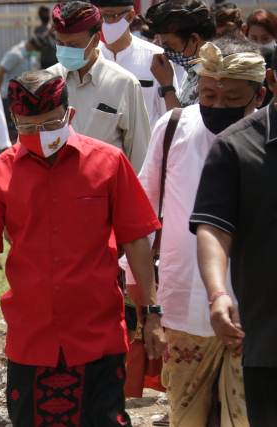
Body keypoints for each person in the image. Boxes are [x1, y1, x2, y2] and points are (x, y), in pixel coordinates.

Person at [0, 69, 165, 426]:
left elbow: (136, 241)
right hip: (31, 335)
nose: (39, 136)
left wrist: (152, 313)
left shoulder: (109, 163)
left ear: (69, 116)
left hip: (97, 332)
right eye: (27, 128)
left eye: (49, 125)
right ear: (14, 121)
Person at [135, 37, 264, 426]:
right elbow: (142, 214)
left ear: (259, 93)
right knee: (185, 417)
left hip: (254, 314)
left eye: (232, 98)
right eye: (209, 95)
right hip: (183, 308)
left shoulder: (266, 140)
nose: (218, 107)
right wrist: (143, 300)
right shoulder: (174, 127)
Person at [190, 45, 277, 427]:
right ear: (272, 82)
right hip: (270, 340)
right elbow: (213, 225)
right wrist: (218, 293)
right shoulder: (238, 146)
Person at [48, 1, 151, 171]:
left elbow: (140, 153)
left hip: (106, 192)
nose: (66, 50)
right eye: (60, 43)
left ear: (96, 39)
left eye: (73, 45)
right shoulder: (49, 81)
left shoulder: (123, 84)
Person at [94, 0, 178, 128]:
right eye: (99, 16)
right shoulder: (90, 56)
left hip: (146, 146)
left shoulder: (155, 57)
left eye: (110, 16)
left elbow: (168, 113)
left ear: (130, 16)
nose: (104, 23)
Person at [146, 0, 216, 109]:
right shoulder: (193, 70)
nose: (167, 52)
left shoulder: (213, 77)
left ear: (194, 39)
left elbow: (181, 123)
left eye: (170, 46)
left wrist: (167, 87)